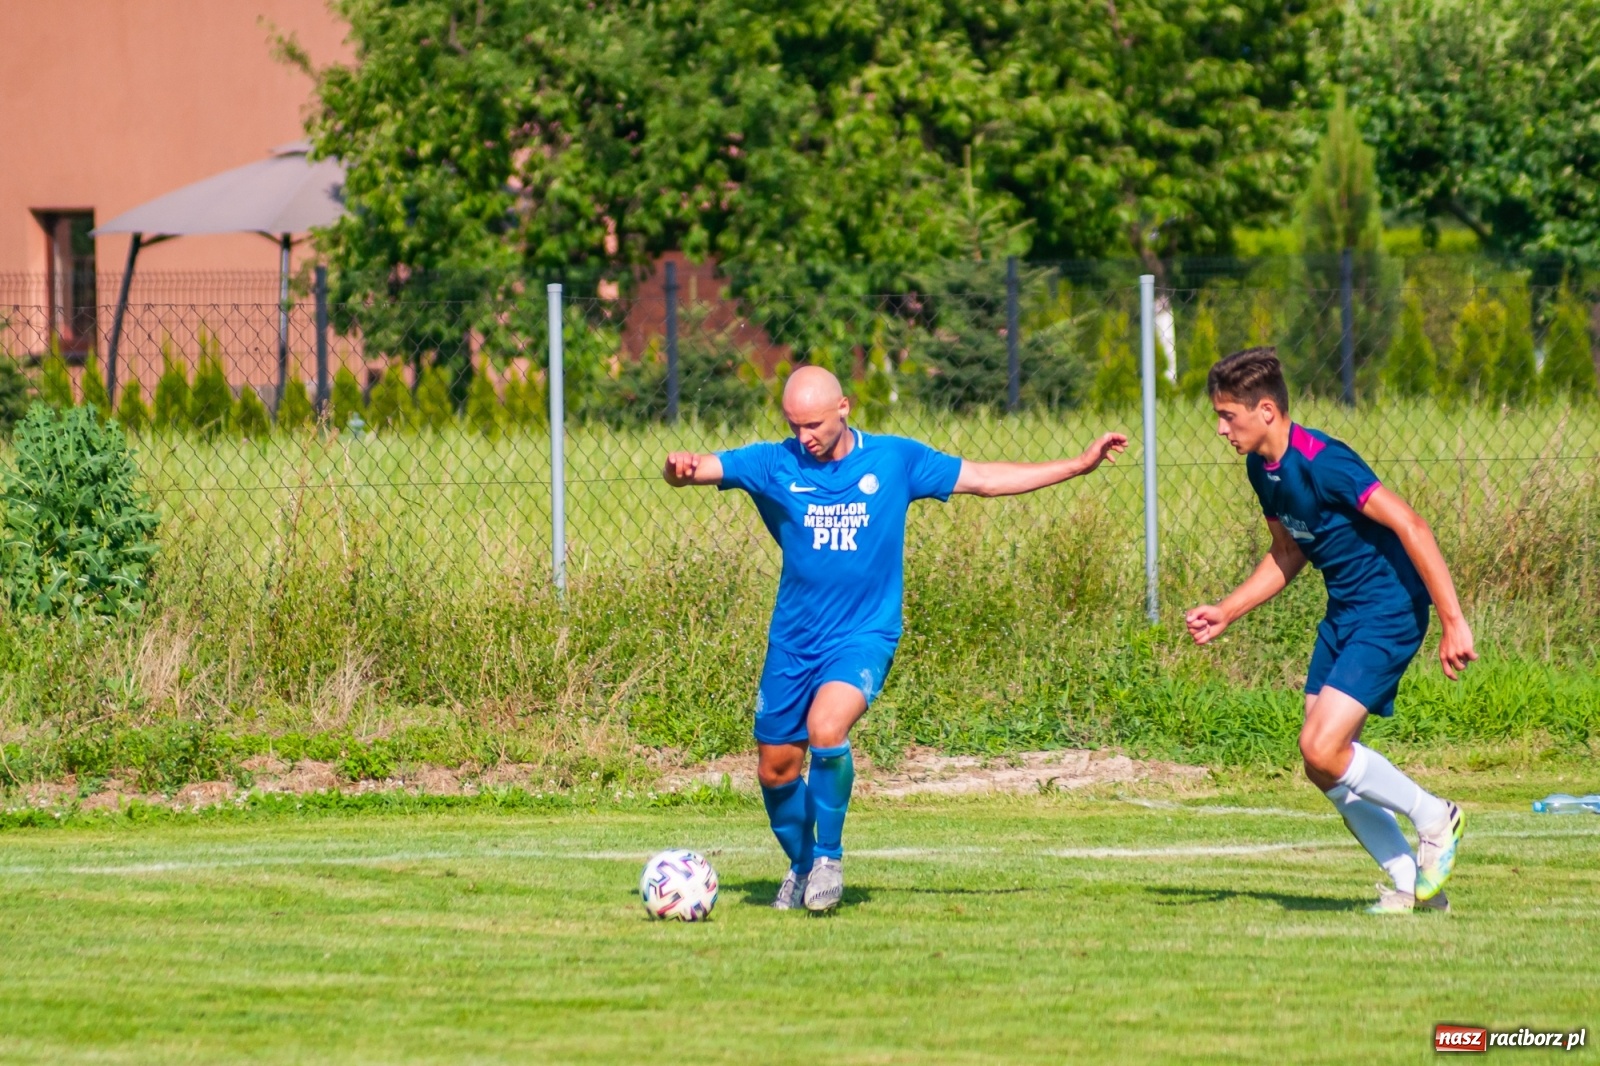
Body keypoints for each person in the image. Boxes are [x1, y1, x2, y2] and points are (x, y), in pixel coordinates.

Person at [664, 366, 1126, 912]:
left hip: (864, 634)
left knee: (827, 727)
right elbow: (700, 468)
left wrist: (1077, 464)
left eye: (813, 424)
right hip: (793, 641)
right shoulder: (773, 462)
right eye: (793, 425)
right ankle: (802, 866)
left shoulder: (893, 460)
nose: (804, 436)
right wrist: (680, 470)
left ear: (844, 407)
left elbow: (984, 478)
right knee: (776, 770)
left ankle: (828, 858)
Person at [1185, 348, 1473, 914]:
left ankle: (1436, 816)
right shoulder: (1261, 469)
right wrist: (1227, 610)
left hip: (1389, 609)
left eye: (1228, 416)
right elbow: (1288, 552)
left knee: (1320, 745)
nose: (1221, 429)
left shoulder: (1325, 462)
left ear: (1266, 411)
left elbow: (1413, 525)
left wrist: (1453, 621)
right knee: (1321, 764)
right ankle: (1410, 886)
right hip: (1345, 612)